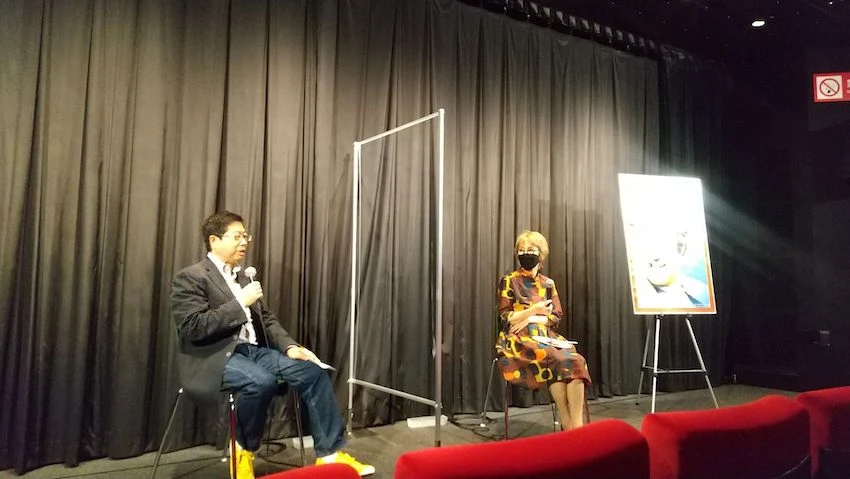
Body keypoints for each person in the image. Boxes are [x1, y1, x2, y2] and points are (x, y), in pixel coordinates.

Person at [171, 211, 374, 478]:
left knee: (312, 372)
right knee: (261, 382)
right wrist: (240, 303)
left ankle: (330, 455)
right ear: (214, 240)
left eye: (246, 236)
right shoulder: (192, 277)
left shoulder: (244, 277)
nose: (244, 242)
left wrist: (290, 347)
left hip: (253, 352)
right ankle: (242, 449)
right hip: (215, 356)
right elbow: (193, 327)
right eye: (237, 236)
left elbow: (265, 320)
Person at [495, 230, 591, 430]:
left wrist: (530, 318)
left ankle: (575, 424)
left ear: (541, 253)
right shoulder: (510, 280)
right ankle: (569, 423)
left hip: (546, 335)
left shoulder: (548, 284)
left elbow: (555, 316)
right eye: (521, 250)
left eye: (531, 250)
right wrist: (534, 310)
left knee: (575, 361)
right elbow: (505, 317)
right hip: (518, 339)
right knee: (556, 359)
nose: (526, 254)